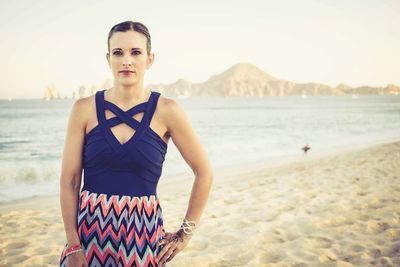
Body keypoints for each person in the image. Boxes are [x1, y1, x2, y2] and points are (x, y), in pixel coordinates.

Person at [59, 20, 213, 267]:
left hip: (144, 239)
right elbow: (70, 181)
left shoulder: (168, 111)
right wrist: (73, 245)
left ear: (150, 59)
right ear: (108, 59)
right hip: (89, 239)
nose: (126, 60)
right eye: (118, 52)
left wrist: (185, 234)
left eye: (136, 52)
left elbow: (204, 172)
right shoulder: (83, 109)